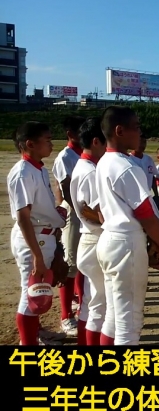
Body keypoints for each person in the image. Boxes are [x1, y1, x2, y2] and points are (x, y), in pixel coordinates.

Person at [95, 106, 159, 345]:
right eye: (137, 127)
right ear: (120, 131)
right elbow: (147, 216)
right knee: (129, 324)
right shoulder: (126, 166)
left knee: (113, 317)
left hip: (110, 238)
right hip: (126, 242)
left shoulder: (105, 161)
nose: (140, 133)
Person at [8, 121, 67, 345]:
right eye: (47, 140)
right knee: (31, 292)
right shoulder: (23, 173)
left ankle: (37, 333)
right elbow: (23, 217)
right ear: (30, 144)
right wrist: (37, 256)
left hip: (44, 235)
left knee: (38, 291)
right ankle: (28, 344)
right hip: (33, 238)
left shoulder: (38, 168)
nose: (51, 144)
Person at [70, 117, 107, 345]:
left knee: (91, 303)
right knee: (100, 305)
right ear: (96, 141)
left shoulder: (85, 166)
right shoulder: (91, 171)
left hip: (89, 239)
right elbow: (93, 211)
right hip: (95, 239)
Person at [52, 115, 85, 336]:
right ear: (70, 134)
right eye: (79, 131)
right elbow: (65, 188)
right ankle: (66, 316)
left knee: (84, 262)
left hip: (85, 212)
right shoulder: (66, 156)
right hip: (74, 212)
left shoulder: (83, 154)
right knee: (71, 264)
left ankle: (81, 303)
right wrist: (82, 213)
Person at [129, 133, 159, 210]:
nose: (142, 145)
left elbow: (152, 177)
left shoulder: (148, 159)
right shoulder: (128, 159)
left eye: (144, 142)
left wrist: (156, 194)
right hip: (134, 197)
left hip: (147, 195)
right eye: (140, 142)